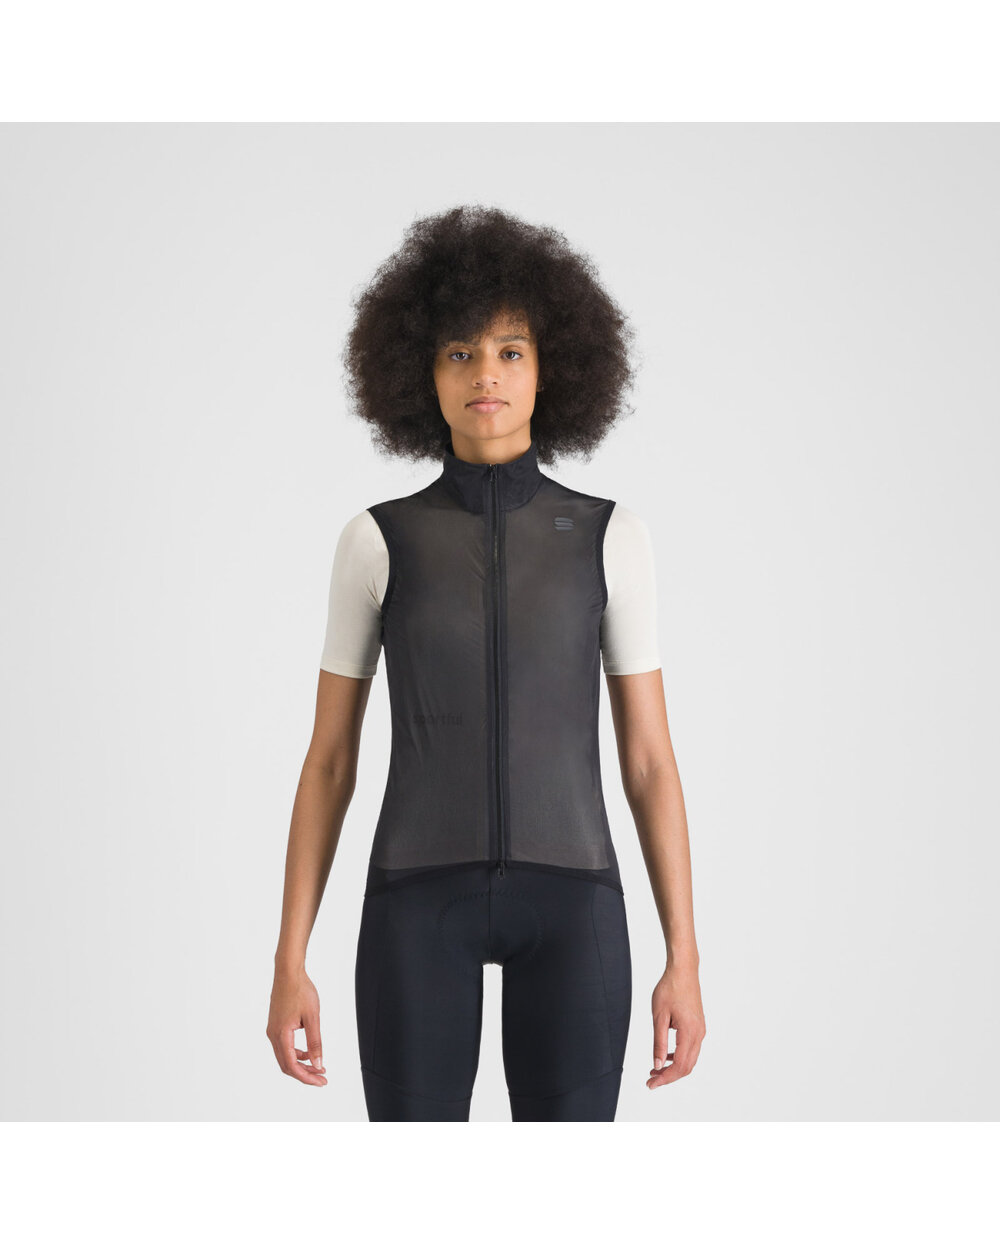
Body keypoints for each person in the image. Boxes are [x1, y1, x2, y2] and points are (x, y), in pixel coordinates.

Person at [266, 205, 706, 1121]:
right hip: (413, 908)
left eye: (511, 350)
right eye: (459, 352)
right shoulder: (376, 540)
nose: (486, 374)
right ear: (420, 373)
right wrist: (288, 959)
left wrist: (685, 959)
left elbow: (649, 762)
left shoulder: (610, 537)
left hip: (576, 905)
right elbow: (330, 762)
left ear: (553, 368)